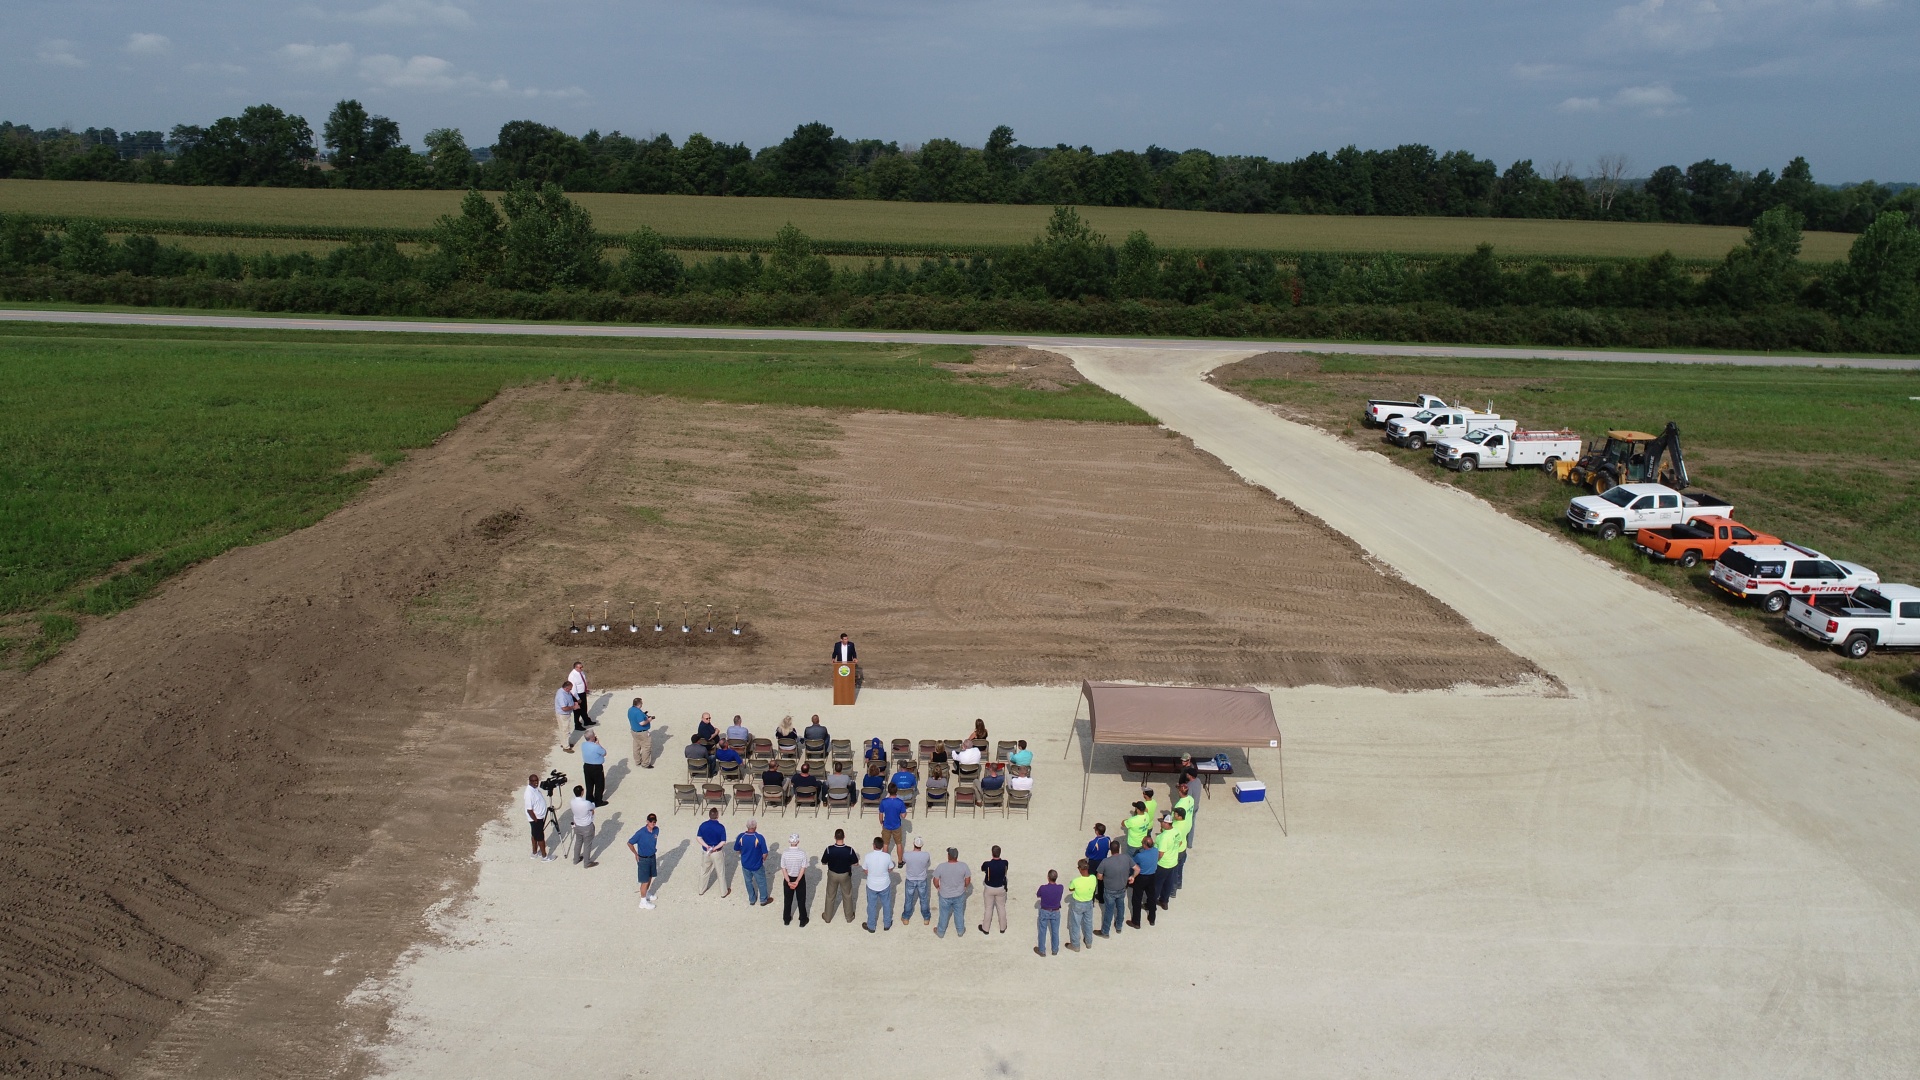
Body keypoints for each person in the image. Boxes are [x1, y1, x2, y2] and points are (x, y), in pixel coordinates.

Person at [820, 828, 859, 924]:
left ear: (835, 837)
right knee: (847, 895)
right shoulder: (849, 850)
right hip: (845, 875)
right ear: (844, 837)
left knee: (830, 895)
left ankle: (827, 917)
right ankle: (849, 917)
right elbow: (855, 863)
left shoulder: (829, 849)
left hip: (832, 874)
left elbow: (823, 862)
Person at [931, 847, 971, 938]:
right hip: (959, 894)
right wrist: (965, 886)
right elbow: (968, 879)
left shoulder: (941, 866)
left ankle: (941, 932)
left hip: (945, 895)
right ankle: (960, 930)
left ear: (948, 856)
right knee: (959, 912)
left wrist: (938, 887)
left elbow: (935, 880)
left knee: (944, 913)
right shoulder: (964, 866)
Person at [1097, 839, 1132, 938]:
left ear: (1110, 850)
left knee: (1109, 910)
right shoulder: (1126, 857)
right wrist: (1132, 877)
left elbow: (1099, 876)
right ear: (1119, 848)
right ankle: (1119, 926)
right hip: (1122, 888)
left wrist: (1105, 878)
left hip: (1110, 890)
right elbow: (1137, 869)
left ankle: (1105, 932)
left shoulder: (1105, 861)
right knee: (1121, 907)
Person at [862, 836, 896, 933]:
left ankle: (871, 926)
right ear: (882, 846)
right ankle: (887, 924)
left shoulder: (868, 856)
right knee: (886, 904)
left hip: (871, 885)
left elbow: (865, 869)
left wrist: (872, 874)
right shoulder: (887, 856)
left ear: (874, 845)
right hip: (884, 884)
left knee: (871, 905)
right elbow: (890, 868)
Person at [627, 813, 660, 908]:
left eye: (654, 821)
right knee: (644, 881)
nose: (652, 823)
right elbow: (629, 843)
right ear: (647, 821)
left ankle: (646, 893)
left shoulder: (656, 830)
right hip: (643, 859)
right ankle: (643, 901)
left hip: (652, 857)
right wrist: (636, 854)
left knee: (650, 877)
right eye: (651, 821)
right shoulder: (640, 833)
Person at [735, 820, 771, 906]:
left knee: (748, 882)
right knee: (761, 882)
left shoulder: (741, 836)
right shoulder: (759, 837)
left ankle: (752, 899)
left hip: (745, 864)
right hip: (757, 865)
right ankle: (763, 900)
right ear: (755, 827)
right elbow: (765, 853)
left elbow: (737, 849)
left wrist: (743, 854)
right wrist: (762, 860)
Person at [1066, 859, 1098, 951]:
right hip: (1089, 903)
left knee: (1075, 924)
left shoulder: (1076, 881)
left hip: (1078, 904)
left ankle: (1075, 945)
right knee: (1088, 923)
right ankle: (1089, 942)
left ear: (1080, 869)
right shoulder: (1093, 878)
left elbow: (1071, 889)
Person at [1154, 812, 1184, 911]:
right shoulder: (1176, 831)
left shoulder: (1163, 837)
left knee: (1157, 884)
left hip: (1163, 864)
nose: (1161, 823)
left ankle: (1151, 902)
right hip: (1173, 862)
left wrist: (1154, 863)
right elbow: (1180, 842)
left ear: (1166, 823)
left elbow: (1161, 853)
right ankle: (1164, 901)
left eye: (1162, 822)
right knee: (1168, 883)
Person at [696, 808, 729, 896]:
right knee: (720, 872)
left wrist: (706, 846)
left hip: (706, 851)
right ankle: (723, 892)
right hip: (717, 852)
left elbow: (698, 837)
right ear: (717, 815)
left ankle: (701, 890)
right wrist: (715, 848)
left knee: (704, 871)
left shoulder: (703, 825)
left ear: (709, 815)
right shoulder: (721, 827)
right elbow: (723, 841)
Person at [901, 837, 932, 925]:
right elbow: (928, 863)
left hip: (910, 879)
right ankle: (926, 918)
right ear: (922, 845)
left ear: (913, 844)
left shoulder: (907, 854)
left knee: (908, 899)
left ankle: (906, 917)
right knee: (924, 899)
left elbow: (903, 861)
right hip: (922, 879)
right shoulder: (926, 855)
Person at [780, 834, 810, 927]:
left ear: (789, 841)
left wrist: (788, 881)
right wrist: (797, 881)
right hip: (799, 878)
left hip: (788, 877)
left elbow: (783, 868)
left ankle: (786, 919)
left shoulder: (785, 853)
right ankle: (803, 919)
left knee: (787, 900)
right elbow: (803, 868)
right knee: (801, 900)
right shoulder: (802, 853)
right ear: (798, 842)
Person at [1128, 836, 1159, 928]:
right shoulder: (1156, 851)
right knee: (1152, 897)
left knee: (1137, 899)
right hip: (1152, 876)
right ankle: (1152, 919)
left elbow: (1133, 863)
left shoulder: (1140, 856)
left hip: (1141, 877)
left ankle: (1136, 921)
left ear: (1145, 845)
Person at [978, 845, 1009, 934]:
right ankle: (1003, 927)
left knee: (988, 908)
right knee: (1001, 907)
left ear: (992, 853)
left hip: (989, 888)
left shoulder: (987, 864)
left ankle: (985, 928)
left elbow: (982, 869)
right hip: (1000, 888)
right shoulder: (1005, 863)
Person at [1034, 870, 1064, 957]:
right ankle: (1055, 950)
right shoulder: (1060, 887)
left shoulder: (1043, 888)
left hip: (1045, 911)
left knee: (1042, 931)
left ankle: (1042, 950)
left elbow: (1038, 894)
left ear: (1048, 877)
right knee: (1055, 931)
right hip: (1056, 911)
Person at [524, 773, 552, 861]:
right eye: (534, 781)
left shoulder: (534, 789)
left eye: (537, 780)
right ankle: (544, 856)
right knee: (540, 837)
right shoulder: (529, 793)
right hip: (536, 818)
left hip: (538, 817)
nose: (536, 782)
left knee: (534, 834)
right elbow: (529, 810)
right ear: (530, 781)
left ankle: (535, 852)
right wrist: (536, 820)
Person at [568, 785, 598, 867]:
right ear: (582, 792)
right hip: (587, 826)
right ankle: (587, 862)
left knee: (578, 842)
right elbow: (593, 806)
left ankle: (576, 859)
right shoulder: (586, 803)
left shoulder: (572, 802)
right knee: (587, 844)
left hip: (577, 825)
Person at [1167, 806, 1192, 898]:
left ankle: (1173, 891)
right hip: (1183, 849)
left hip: (1177, 851)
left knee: (1173, 871)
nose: (1174, 815)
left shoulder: (1176, 826)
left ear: (1180, 816)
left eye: (1175, 814)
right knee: (1180, 868)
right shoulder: (1186, 822)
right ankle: (1179, 883)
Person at [879, 785, 907, 864]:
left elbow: (881, 814)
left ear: (888, 791)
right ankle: (900, 861)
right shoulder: (900, 802)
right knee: (899, 844)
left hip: (886, 824)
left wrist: (881, 821)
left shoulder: (884, 801)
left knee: (885, 844)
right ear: (896, 791)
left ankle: (884, 862)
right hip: (896, 825)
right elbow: (903, 816)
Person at [580, 731, 608, 805]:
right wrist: (598, 744)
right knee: (599, 785)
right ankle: (598, 801)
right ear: (592, 737)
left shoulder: (583, 745)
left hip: (587, 766)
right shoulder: (596, 747)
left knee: (589, 784)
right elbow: (604, 753)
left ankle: (589, 799)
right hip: (596, 768)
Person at [627, 697, 653, 768]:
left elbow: (634, 718)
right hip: (642, 732)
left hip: (634, 731)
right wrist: (649, 720)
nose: (642, 704)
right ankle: (645, 764)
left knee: (636, 746)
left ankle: (637, 761)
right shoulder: (638, 712)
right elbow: (642, 723)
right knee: (646, 747)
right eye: (641, 703)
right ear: (639, 704)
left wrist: (644, 714)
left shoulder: (630, 710)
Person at [567, 662, 594, 731]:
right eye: (580, 667)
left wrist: (585, 689)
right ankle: (577, 725)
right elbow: (573, 689)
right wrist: (577, 698)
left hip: (582, 693)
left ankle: (586, 720)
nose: (582, 668)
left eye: (582, 667)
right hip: (577, 695)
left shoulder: (581, 672)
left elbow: (583, 682)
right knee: (577, 711)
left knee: (584, 708)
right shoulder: (572, 676)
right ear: (575, 667)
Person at [556, 681, 581, 753]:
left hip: (563, 714)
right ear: (566, 688)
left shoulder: (563, 691)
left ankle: (564, 743)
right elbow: (564, 708)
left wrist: (573, 703)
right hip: (563, 715)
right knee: (565, 730)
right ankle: (566, 747)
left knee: (563, 730)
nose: (570, 690)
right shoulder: (562, 696)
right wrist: (574, 707)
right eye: (570, 689)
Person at [1175, 779, 1198, 852]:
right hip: (1188, 824)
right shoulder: (1191, 799)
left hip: (1180, 827)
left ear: (1180, 792)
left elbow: (1175, 817)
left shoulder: (1179, 805)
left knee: (1178, 844)